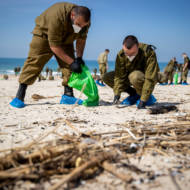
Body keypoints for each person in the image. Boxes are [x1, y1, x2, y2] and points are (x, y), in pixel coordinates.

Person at [10, 2, 91, 108]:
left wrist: (79, 58)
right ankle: (19, 96)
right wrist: (72, 62)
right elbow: (54, 46)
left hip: (67, 37)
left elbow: (81, 39)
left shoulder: (84, 22)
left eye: (83, 25)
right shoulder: (57, 16)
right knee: (34, 62)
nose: (80, 27)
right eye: (79, 24)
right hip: (44, 35)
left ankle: (68, 96)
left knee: (70, 66)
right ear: (72, 15)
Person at [102, 35, 160, 109]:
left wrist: (143, 100)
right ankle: (134, 94)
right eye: (127, 53)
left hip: (144, 78)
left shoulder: (148, 52)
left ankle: (145, 96)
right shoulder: (121, 54)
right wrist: (117, 94)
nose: (129, 56)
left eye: (132, 53)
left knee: (134, 76)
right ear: (123, 46)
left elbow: (150, 78)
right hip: (130, 77)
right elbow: (119, 76)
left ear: (138, 46)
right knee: (106, 77)